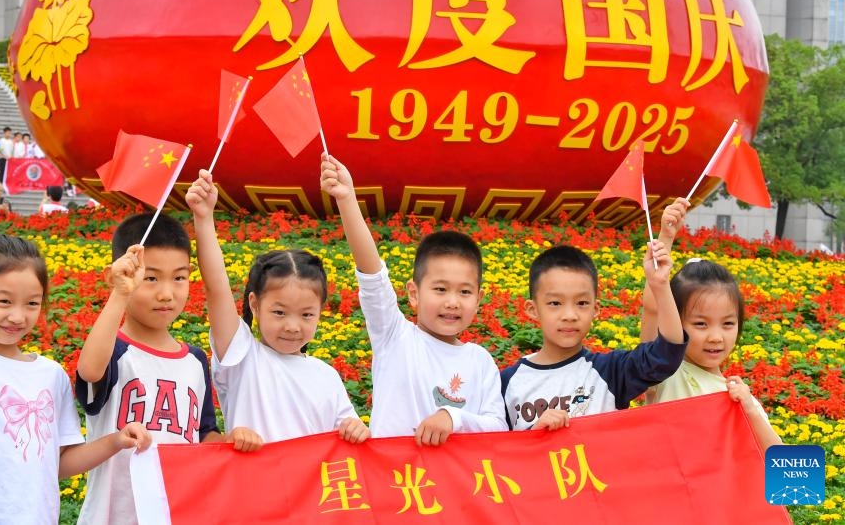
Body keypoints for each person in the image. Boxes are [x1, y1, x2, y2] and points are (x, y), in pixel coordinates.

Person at [0, 234, 151, 524]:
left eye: (32, 303)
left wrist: (116, 440)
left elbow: (59, 463)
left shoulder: (51, 375)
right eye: (4, 301)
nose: (17, 316)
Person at [320, 155, 522, 444]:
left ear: (478, 299)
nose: (452, 302)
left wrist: (453, 417)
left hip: (453, 475)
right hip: (393, 472)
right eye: (440, 289)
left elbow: (498, 427)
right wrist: (346, 199)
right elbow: (373, 277)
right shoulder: (394, 336)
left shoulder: (480, 361)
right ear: (413, 294)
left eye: (464, 292)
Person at [186, 169, 368, 451]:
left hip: (310, 482)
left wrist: (357, 429)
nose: (292, 326)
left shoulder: (326, 376)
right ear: (254, 304)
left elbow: (348, 441)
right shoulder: (242, 356)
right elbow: (217, 288)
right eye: (279, 312)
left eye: (306, 314)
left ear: (320, 312)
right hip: (253, 479)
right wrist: (203, 217)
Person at [75, 213, 222, 524]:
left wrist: (235, 441)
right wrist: (120, 293)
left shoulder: (195, 361)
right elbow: (89, 371)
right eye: (151, 278)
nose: (166, 293)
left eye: (179, 278)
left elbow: (204, 435)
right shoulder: (115, 352)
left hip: (175, 514)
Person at [641, 200, 783, 452]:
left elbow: (786, 469)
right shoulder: (666, 372)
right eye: (701, 324)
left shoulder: (740, 397)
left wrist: (749, 410)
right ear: (675, 321)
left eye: (728, 323)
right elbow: (653, 309)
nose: (716, 337)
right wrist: (666, 238)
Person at [498, 242, 686, 430]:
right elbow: (496, 444)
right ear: (533, 309)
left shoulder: (612, 371)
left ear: (595, 309)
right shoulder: (507, 382)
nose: (570, 315)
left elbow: (666, 355)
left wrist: (661, 286)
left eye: (581, 303)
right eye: (555, 303)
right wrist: (533, 435)